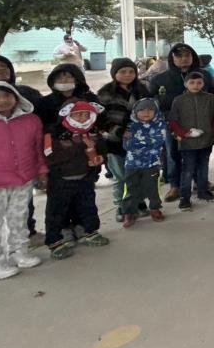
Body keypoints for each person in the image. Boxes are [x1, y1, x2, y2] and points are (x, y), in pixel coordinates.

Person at [149, 43, 214, 202]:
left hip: (201, 123)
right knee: (173, 154)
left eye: (187, 55)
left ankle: (201, 182)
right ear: (172, 58)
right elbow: (151, 100)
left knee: (200, 154)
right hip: (173, 124)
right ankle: (175, 186)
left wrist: (209, 110)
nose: (183, 59)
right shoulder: (160, 79)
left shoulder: (204, 75)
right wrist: (166, 112)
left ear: (193, 57)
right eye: (179, 56)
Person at [0, 81, 46, 279]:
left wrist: (42, 171)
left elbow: (38, 149)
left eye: (7, 95)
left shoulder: (30, 120)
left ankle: (19, 253)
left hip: (23, 178)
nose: (2, 101)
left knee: (19, 217)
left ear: (16, 97)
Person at [44, 100, 109, 259]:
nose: (83, 118)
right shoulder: (53, 133)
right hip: (61, 180)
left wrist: (100, 156)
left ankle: (89, 231)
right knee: (57, 211)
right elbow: (50, 156)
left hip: (85, 178)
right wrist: (78, 145)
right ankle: (55, 241)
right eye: (78, 114)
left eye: (86, 114)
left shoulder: (93, 132)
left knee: (87, 206)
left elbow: (103, 151)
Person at [0, 55, 42, 239]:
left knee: (21, 210)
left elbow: (36, 135)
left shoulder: (27, 94)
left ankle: (27, 236)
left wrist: (41, 169)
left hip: (22, 171)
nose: (0, 70)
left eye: (4, 66)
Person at [97, 57, 150, 221]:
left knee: (139, 175)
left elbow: (152, 112)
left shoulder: (143, 90)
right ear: (114, 74)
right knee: (120, 177)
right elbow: (100, 120)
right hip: (115, 143)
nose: (127, 75)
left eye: (131, 71)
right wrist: (119, 132)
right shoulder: (105, 93)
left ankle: (139, 202)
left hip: (139, 141)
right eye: (123, 72)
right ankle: (121, 206)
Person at [168, 71, 214, 211]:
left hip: (206, 141)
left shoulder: (210, 98)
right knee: (188, 170)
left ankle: (203, 191)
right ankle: (184, 197)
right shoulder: (179, 100)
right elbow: (173, 121)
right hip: (187, 143)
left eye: (199, 83)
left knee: (203, 167)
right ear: (185, 84)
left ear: (203, 84)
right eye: (192, 83)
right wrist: (184, 133)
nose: (195, 85)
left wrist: (212, 132)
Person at [120, 98, 167, 227]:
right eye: (141, 110)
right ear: (135, 112)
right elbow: (127, 145)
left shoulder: (160, 124)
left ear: (156, 111)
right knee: (130, 188)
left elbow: (158, 142)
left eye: (150, 110)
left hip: (151, 164)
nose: (146, 113)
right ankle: (129, 213)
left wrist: (136, 140)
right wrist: (145, 141)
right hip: (132, 164)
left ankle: (155, 208)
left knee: (152, 187)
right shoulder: (130, 126)